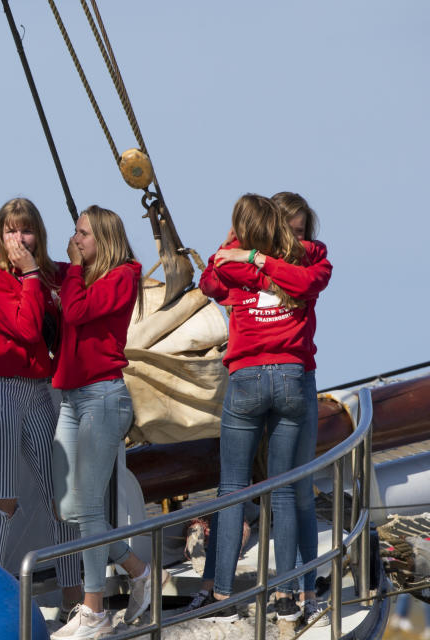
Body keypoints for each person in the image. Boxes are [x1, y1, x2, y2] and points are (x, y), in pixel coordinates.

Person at [196, 194, 331, 621]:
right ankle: (288, 596)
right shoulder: (311, 259)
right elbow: (310, 279)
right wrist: (254, 254)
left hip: (247, 377)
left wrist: (246, 250)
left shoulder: (243, 261)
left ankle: (221, 596)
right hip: (292, 376)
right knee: (286, 489)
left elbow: (211, 279)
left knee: (232, 487)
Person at [0, 197, 82, 613]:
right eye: (12, 230)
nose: (19, 238)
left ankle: (74, 598)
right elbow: (28, 328)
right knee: (4, 499)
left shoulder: (50, 274)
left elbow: (93, 276)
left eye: (26, 230)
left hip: (36, 387)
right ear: (0, 233)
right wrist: (32, 274)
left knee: (60, 499)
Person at [51, 206, 161, 637]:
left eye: (83, 234)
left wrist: (74, 270)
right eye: (75, 233)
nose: (76, 240)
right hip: (72, 398)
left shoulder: (122, 276)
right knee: (70, 506)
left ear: (104, 239)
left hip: (103, 396)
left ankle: (93, 610)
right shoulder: (80, 275)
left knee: (91, 506)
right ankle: (139, 570)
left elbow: (77, 312)